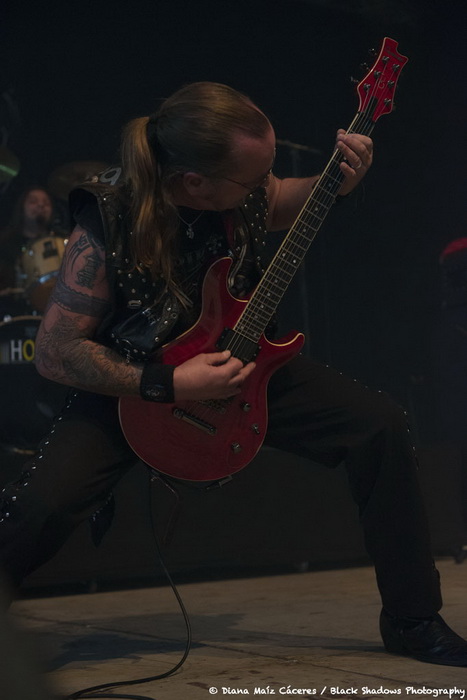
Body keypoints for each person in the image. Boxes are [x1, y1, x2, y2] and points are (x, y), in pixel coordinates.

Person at [0, 82, 466, 667]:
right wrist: (170, 383)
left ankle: (412, 618)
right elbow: (54, 352)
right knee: (41, 507)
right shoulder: (109, 217)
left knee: (381, 425)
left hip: (236, 359)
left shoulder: (237, 187)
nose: (263, 186)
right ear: (194, 182)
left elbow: (280, 198)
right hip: (133, 379)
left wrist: (337, 180)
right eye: (253, 179)